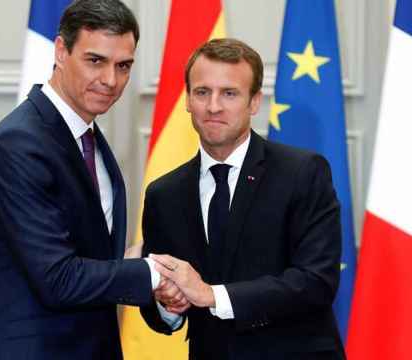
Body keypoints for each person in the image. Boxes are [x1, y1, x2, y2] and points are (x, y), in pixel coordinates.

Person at [0, 1, 174, 358]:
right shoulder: (19, 143)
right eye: (95, 61)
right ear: (61, 51)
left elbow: (86, 250)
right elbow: (57, 279)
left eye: (123, 66)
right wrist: (152, 274)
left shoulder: (85, 136)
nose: (111, 80)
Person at [139, 38, 346, 360]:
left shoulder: (303, 172)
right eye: (202, 92)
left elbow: (316, 282)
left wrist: (211, 295)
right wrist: (169, 303)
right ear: (188, 101)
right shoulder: (164, 194)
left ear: (254, 102)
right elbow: (159, 314)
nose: (213, 106)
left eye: (230, 93)